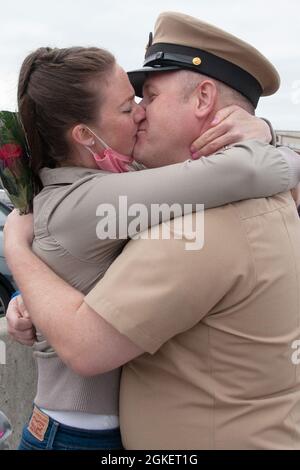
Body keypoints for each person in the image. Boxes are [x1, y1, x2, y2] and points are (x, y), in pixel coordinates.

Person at [5, 12, 300, 450]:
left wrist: (18, 252)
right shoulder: (164, 199)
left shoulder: (198, 224)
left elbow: (86, 345)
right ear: (85, 135)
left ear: (203, 99)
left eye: (148, 98)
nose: (140, 114)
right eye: (130, 105)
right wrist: (266, 138)